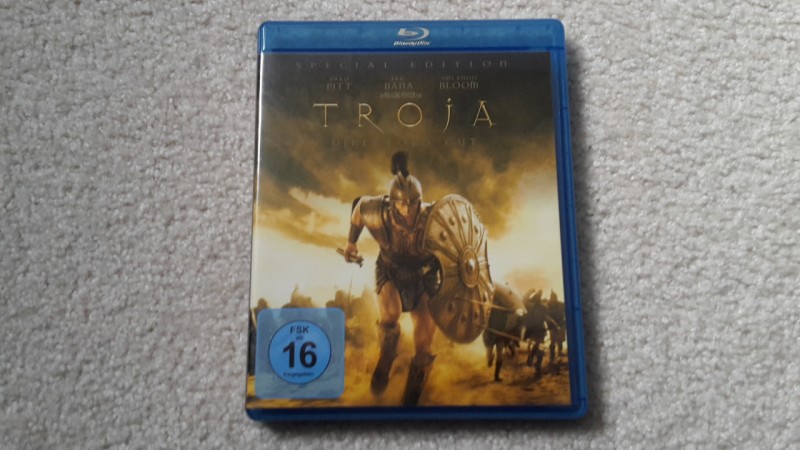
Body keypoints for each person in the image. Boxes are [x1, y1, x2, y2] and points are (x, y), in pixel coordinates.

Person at [342, 151, 441, 406]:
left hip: (425, 277)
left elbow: (460, 241)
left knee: (425, 345)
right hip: (390, 270)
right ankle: (386, 361)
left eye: (413, 204)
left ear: (420, 202)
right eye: (402, 205)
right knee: (389, 317)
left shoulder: (436, 217)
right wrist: (351, 243)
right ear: (392, 204)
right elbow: (358, 210)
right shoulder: (376, 210)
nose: (407, 211)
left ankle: (410, 403)